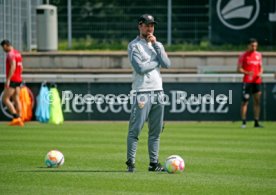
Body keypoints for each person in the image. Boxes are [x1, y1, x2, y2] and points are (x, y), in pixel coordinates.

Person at [126, 14, 171, 172]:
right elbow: (140, 69)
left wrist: (157, 46)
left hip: (159, 91)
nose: (150, 27)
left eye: (152, 25)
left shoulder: (157, 44)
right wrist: (156, 61)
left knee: (156, 131)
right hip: (142, 92)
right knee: (136, 129)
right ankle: (130, 163)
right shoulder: (134, 45)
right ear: (140, 26)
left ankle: (153, 163)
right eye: (147, 25)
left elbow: (167, 64)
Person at [237, 38, 263, 128]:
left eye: (256, 46)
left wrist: (260, 73)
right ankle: (244, 122)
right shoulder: (243, 56)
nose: (254, 47)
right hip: (247, 82)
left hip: (257, 81)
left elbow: (261, 67)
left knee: (257, 101)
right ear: (248, 45)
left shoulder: (259, 55)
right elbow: (238, 69)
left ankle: (256, 122)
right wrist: (247, 73)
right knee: (245, 102)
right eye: (252, 46)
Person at [1, 40, 24, 126]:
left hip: (13, 79)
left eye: (3, 47)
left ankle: (16, 117)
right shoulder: (18, 53)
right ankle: (20, 118)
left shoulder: (10, 54)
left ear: (6, 45)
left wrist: (8, 79)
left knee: (5, 99)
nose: (3, 49)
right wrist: (18, 76)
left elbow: (13, 66)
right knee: (16, 98)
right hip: (18, 79)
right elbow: (21, 67)